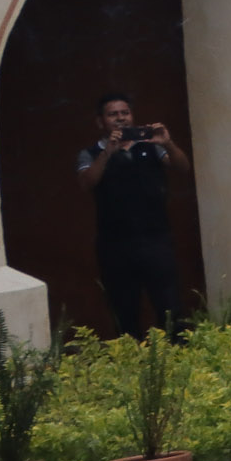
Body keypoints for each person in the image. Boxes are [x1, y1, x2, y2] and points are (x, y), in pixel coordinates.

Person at [75, 93, 190, 337]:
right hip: (115, 245)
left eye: (124, 113)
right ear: (100, 122)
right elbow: (87, 182)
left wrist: (167, 142)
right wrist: (109, 152)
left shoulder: (150, 146)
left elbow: (182, 166)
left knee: (170, 309)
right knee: (124, 312)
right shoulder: (91, 153)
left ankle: (178, 358)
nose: (120, 119)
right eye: (113, 114)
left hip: (156, 240)